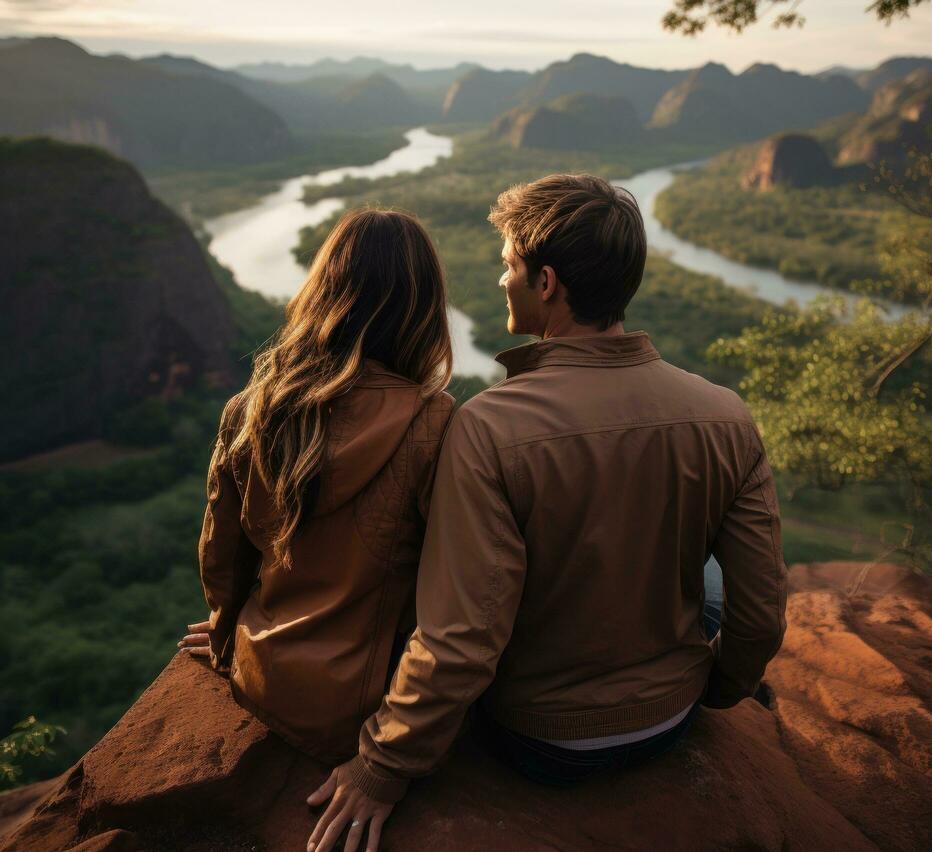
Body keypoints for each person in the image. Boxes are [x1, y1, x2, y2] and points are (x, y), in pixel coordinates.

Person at [306, 174, 788, 852]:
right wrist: (718, 689)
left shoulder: (487, 427)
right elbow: (761, 612)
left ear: (547, 283)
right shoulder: (726, 415)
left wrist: (379, 768)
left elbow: (462, 639)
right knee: (705, 587)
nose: (501, 279)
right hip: (674, 716)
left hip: (544, 743)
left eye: (509, 264)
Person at [179, 208, 456, 766]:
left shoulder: (252, 409)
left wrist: (225, 629)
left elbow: (221, 558)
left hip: (261, 680)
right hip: (371, 712)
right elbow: (454, 600)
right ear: (421, 308)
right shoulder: (436, 422)